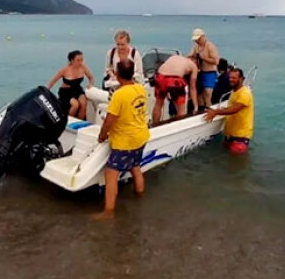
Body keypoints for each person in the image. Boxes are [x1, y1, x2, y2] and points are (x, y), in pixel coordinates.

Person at [93, 59, 150, 220]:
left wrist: (102, 135)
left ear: (117, 75)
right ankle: (140, 197)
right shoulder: (140, 89)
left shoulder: (119, 95)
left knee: (111, 174)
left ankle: (108, 211)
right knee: (135, 166)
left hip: (125, 141)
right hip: (141, 135)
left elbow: (109, 120)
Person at [204, 66, 253, 153]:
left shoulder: (244, 93)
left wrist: (216, 112)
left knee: (236, 162)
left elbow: (235, 109)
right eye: (229, 77)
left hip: (241, 136)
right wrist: (220, 109)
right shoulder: (234, 91)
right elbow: (231, 107)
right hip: (229, 135)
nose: (230, 79)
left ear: (241, 79)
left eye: (234, 78)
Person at [152, 53, 198, 124]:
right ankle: (180, 127)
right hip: (175, 80)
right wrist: (195, 106)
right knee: (181, 110)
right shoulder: (193, 65)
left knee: (158, 104)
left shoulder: (175, 57)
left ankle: (154, 125)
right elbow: (192, 87)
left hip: (160, 76)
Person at [48, 50, 90, 118]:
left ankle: (80, 121)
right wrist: (47, 90)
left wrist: (90, 84)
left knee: (84, 103)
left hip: (77, 89)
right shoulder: (65, 70)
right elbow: (53, 80)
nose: (80, 62)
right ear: (72, 60)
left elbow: (91, 77)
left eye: (82, 60)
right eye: (78, 60)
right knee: (75, 105)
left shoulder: (83, 67)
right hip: (66, 91)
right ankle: (68, 121)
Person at [188, 28, 220, 112]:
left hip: (210, 72)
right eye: (196, 40)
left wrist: (204, 58)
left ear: (203, 37)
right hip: (200, 72)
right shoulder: (196, 47)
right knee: (199, 94)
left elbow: (216, 61)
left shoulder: (210, 46)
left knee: (208, 93)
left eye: (198, 39)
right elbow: (191, 56)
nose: (197, 41)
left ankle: (209, 108)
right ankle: (201, 110)